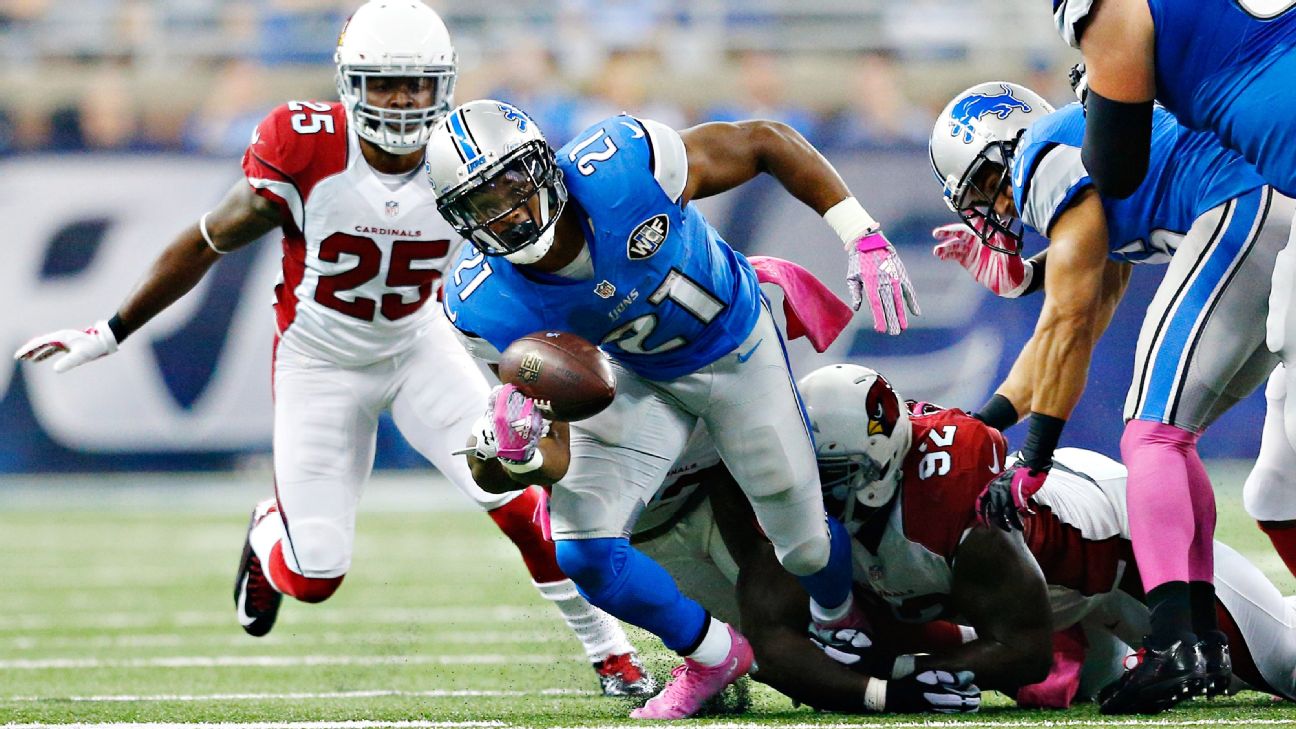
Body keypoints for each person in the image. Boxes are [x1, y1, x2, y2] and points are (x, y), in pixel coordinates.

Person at [11, 0, 652, 697]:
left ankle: (610, 652)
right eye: (385, 83)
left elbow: (536, 253)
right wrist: (110, 331)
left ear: (447, 82)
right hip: (320, 362)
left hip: (418, 345)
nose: (404, 101)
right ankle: (269, 532)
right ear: (351, 83)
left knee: (522, 501)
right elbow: (205, 240)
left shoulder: (463, 155)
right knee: (314, 573)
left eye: (419, 83)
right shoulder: (304, 144)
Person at [429, 100, 920, 719]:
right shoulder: (483, 302)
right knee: (582, 549)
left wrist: (861, 233)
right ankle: (714, 655)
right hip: (633, 381)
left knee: (804, 546)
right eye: (480, 206)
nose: (507, 214)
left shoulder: (624, 169)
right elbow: (551, 455)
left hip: (732, 347)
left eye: (512, 187)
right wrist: (515, 454)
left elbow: (765, 139)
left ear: (543, 165)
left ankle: (839, 616)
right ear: (459, 221)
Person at [928, 80, 1291, 712]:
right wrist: (988, 420)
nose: (993, 210)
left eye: (984, 187)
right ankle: (1194, 636)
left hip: (1244, 211)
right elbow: (1086, 312)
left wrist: (1035, 457)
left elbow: (1067, 322)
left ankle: (1178, 644)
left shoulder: (1042, 156)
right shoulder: (1082, 149)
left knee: (1154, 437)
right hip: (1267, 217)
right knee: (1177, 442)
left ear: (1001, 151)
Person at [798, 365, 1296, 712]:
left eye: (835, 475)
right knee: (1103, 690)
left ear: (881, 459)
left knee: (1281, 667)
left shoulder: (949, 505)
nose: (818, 492)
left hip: (1118, 549)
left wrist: (899, 672)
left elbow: (1023, 652)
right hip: (1052, 603)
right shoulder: (833, 514)